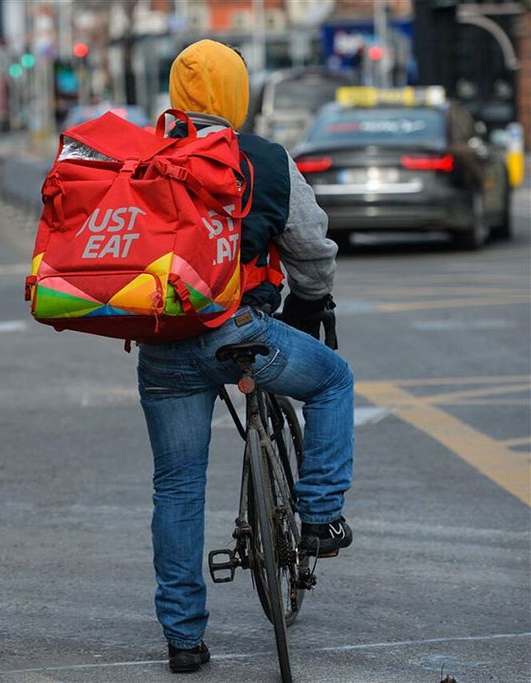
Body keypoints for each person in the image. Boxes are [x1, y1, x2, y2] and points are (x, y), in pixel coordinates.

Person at [138, 40, 355, 673]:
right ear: (238, 94)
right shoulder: (263, 159)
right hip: (242, 334)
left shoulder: (145, 158)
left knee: (176, 489)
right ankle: (317, 517)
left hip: (162, 344)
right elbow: (312, 252)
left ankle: (182, 639)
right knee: (333, 380)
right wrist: (309, 307)